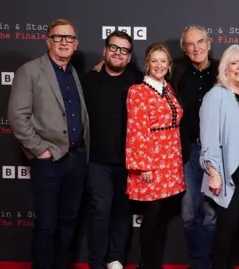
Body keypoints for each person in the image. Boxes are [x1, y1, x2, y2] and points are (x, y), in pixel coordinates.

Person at [8, 19, 89, 269]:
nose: (64, 42)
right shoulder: (30, 70)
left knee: (68, 222)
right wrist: (39, 150)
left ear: (76, 44)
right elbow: (17, 116)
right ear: (47, 40)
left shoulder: (73, 72)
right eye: (58, 37)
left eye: (69, 38)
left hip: (76, 159)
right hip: (49, 160)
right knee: (46, 224)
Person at [82, 30, 143, 269]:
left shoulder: (140, 81)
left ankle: (116, 258)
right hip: (97, 159)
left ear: (129, 57)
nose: (118, 53)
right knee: (99, 210)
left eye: (124, 50)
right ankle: (96, 261)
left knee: (122, 210)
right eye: (114, 48)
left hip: (128, 161)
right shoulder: (88, 80)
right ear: (105, 50)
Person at [199, 44, 239, 269]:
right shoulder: (216, 95)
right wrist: (214, 173)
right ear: (225, 67)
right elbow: (208, 139)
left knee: (235, 229)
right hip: (227, 176)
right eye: (234, 63)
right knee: (226, 230)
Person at [125, 42, 185, 269]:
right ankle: (146, 263)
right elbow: (136, 130)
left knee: (160, 217)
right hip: (150, 161)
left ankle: (155, 263)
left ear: (169, 64)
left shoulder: (168, 87)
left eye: (164, 61)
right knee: (152, 215)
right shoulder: (137, 91)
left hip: (170, 161)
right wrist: (144, 166)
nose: (159, 65)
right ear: (147, 64)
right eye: (154, 61)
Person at [170, 25, 219, 269]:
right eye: (190, 44)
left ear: (209, 43)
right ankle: (198, 262)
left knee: (210, 215)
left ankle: (205, 263)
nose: (196, 48)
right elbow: (148, 75)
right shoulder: (176, 70)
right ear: (184, 50)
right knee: (189, 214)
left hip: (216, 154)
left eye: (200, 42)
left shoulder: (224, 69)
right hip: (187, 151)